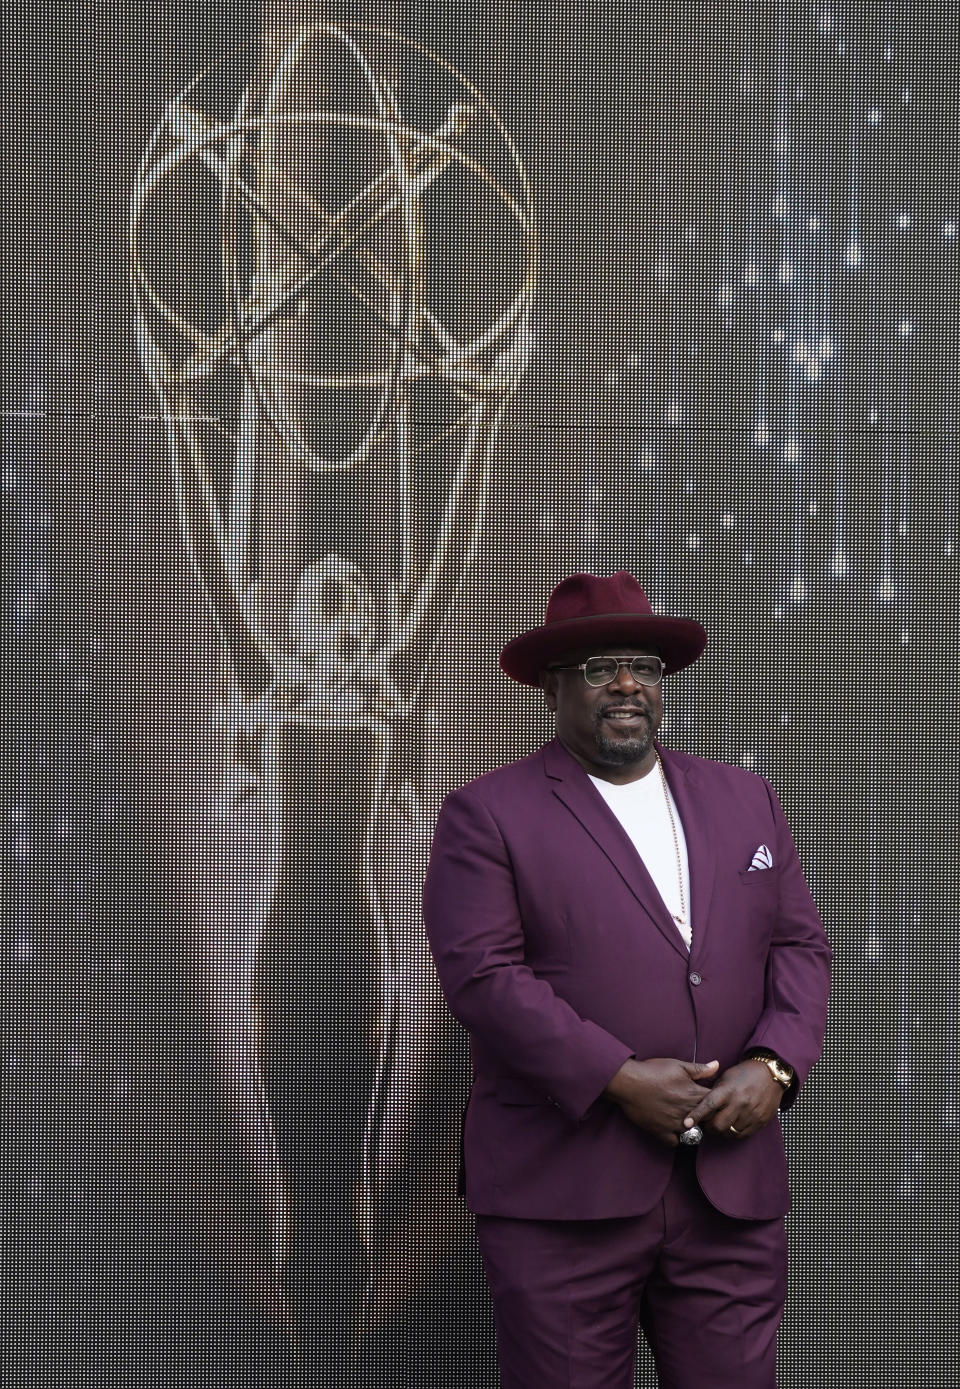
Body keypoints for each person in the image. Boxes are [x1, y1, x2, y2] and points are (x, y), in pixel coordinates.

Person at [422, 570, 831, 1389]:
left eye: (642, 663)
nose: (625, 683)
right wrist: (616, 1078)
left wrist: (776, 1066)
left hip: (728, 1189)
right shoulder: (487, 814)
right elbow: (484, 978)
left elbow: (799, 947)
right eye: (598, 664)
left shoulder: (747, 800)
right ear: (551, 689)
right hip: (564, 1193)